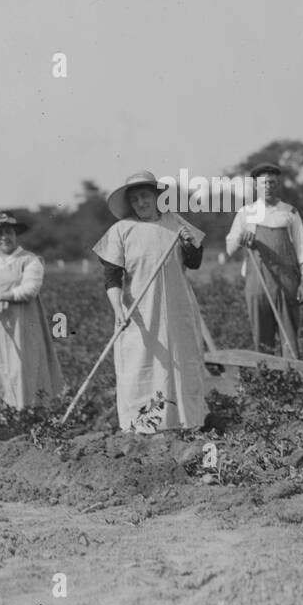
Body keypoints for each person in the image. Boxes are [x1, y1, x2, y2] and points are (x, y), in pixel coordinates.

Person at [92, 171, 208, 433]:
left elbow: (194, 262)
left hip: (177, 308)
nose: (141, 203)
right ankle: (142, 425)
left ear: (158, 197)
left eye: (145, 196)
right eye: (134, 200)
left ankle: (186, 422)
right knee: (140, 363)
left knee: (181, 362)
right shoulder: (121, 230)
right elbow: (112, 277)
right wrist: (117, 309)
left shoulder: (176, 222)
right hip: (140, 310)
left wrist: (189, 245)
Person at [0, 213, 63, 419]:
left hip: (21, 324)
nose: (4, 237)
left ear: (15, 234)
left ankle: (25, 415)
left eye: (8, 232)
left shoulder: (29, 260)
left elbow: (29, 290)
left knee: (21, 369)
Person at [225, 162, 303, 357]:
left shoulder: (290, 212)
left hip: (287, 281)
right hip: (257, 281)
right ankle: (264, 383)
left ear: (278, 184)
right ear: (256, 185)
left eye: (272, 183)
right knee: (261, 339)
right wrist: (242, 239)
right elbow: (230, 248)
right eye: (263, 183)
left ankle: (292, 381)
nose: (268, 187)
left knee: (289, 336)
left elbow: (302, 248)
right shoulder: (246, 213)